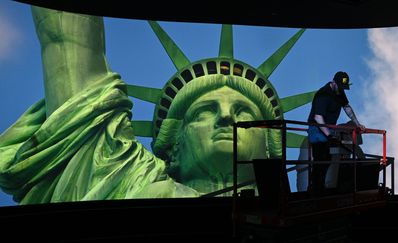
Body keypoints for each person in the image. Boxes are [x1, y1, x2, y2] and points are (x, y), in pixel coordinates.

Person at [0, 6, 313, 204]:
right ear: (174, 144)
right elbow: (66, 40)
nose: (227, 116)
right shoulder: (115, 176)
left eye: (245, 111)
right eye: (203, 111)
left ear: (273, 146)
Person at [306, 71, 365, 195]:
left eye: (344, 87)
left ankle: (319, 188)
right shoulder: (323, 94)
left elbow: (347, 107)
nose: (342, 90)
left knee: (327, 159)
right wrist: (329, 135)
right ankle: (314, 190)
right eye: (340, 86)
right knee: (320, 159)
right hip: (317, 129)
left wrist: (357, 123)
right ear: (333, 83)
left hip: (328, 129)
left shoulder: (339, 92)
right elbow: (318, 117)